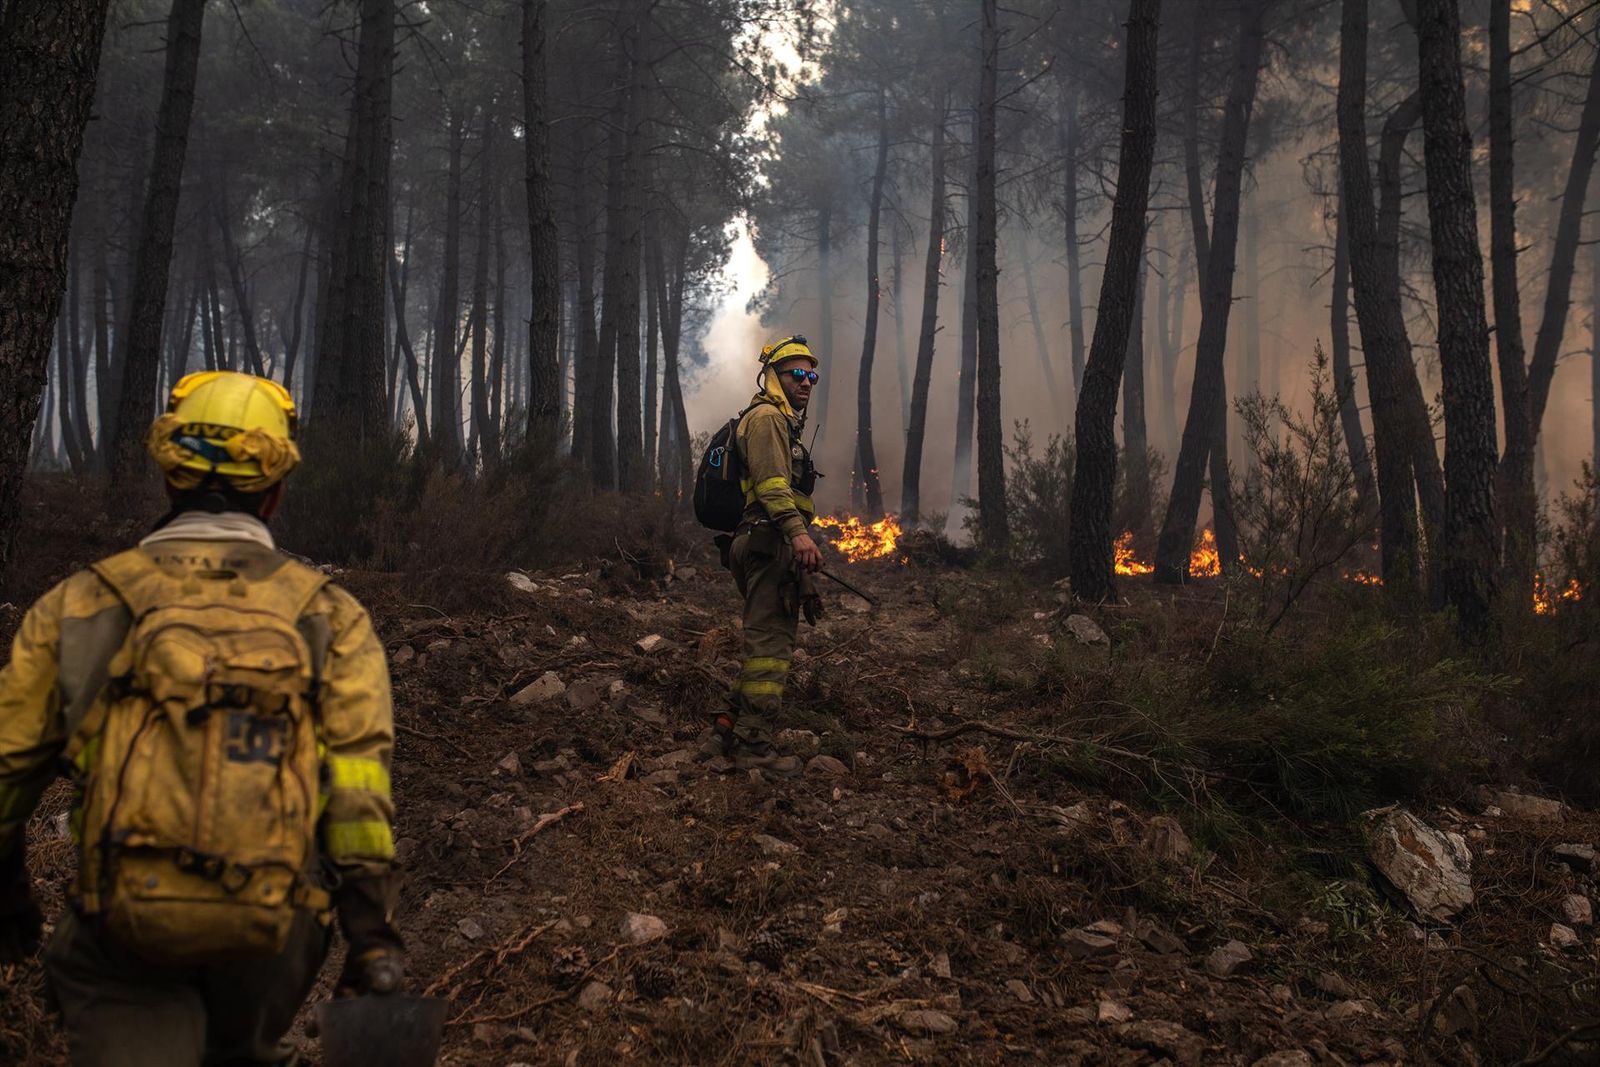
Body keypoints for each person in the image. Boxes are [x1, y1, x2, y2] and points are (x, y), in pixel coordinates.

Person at [0, 370, 403, 1067]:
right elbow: (359, 786)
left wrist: (9, 896)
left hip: (123, 930)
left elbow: (6, 772)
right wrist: (371, 936)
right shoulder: (329, 616)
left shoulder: (80, 604)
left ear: (168, 480)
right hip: (272, 935)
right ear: (275, 493)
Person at [704, 336, 826, 776]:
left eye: (812, 375)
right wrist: (799, 535)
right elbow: (773, 487)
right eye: (798, 374)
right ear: (774, 376)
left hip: (761, 542)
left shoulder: (777, 421)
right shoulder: (768, 420)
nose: (807, 382)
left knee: (761, 646)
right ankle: (754, 747)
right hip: (768, 541)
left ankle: (724, 728)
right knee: (771, 650)